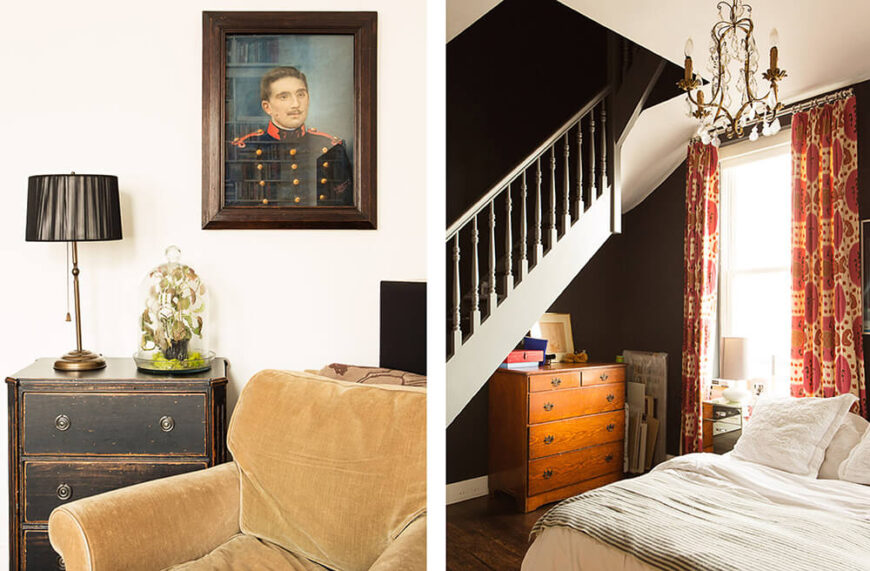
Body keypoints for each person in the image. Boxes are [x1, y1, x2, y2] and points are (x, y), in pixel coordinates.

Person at [227, 66, 353, 206]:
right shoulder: (244, 149)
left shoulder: (331, 148)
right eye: (284, 97)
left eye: (300, 95)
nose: (296, 104)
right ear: (267, 107)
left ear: (308, 98)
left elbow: (344, 207)